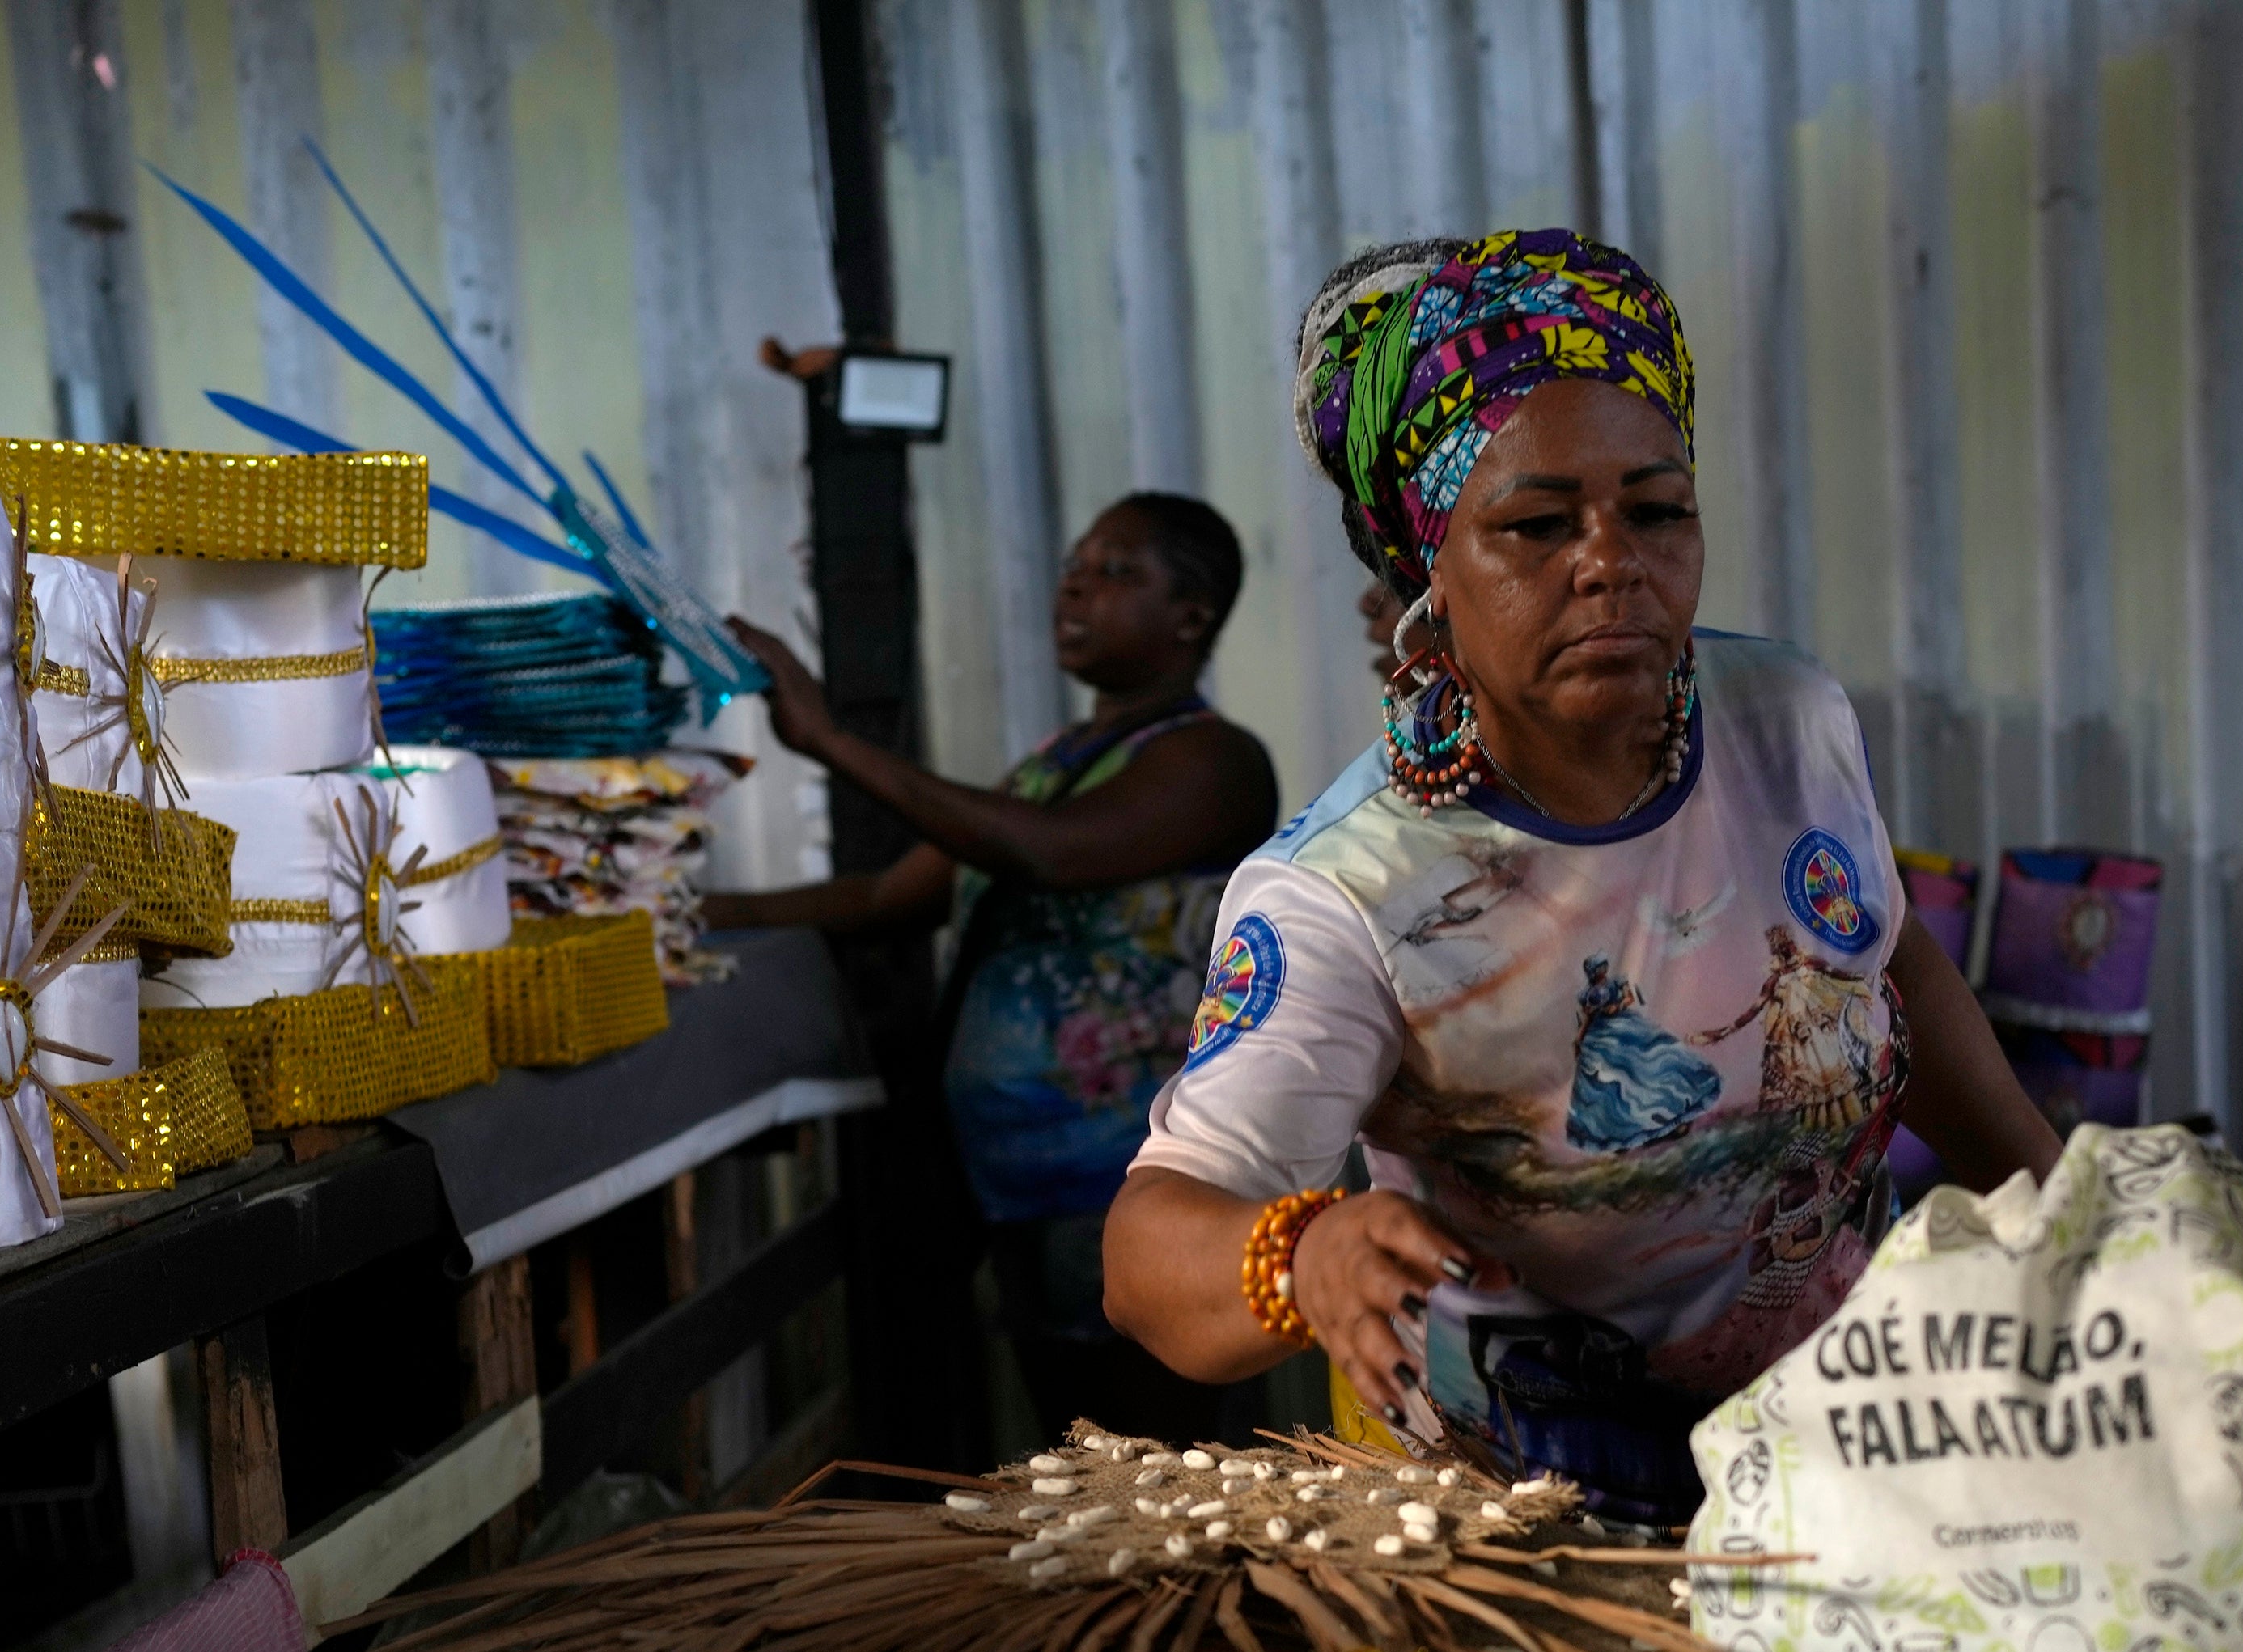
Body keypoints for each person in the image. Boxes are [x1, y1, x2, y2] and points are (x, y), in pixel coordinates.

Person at [1104, 232, 2063, 1523]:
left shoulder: (1781, 712)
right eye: (1538, 525)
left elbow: (1879, 954)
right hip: (1549, 1528)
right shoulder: (1350, 893)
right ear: (1428, 576)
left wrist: (2059, 1205)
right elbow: (1147, 1252)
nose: (1611, 561)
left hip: (1854, 1451)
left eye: (1657, 512)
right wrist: (1303, 1255)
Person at [714, 494, 1280, 1446]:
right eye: (1074, 564)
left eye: (1115, 572)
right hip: (1017, 1176)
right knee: (1083, 1441)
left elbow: (1046, 853)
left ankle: (1193, 1599)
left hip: (1130, 1173)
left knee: (1163, 1454)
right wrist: (700, 912)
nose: (1075, 585)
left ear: (1190, 617)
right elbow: (888, 896)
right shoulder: (1059, 760)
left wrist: (831, 740)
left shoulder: (1211, 760)